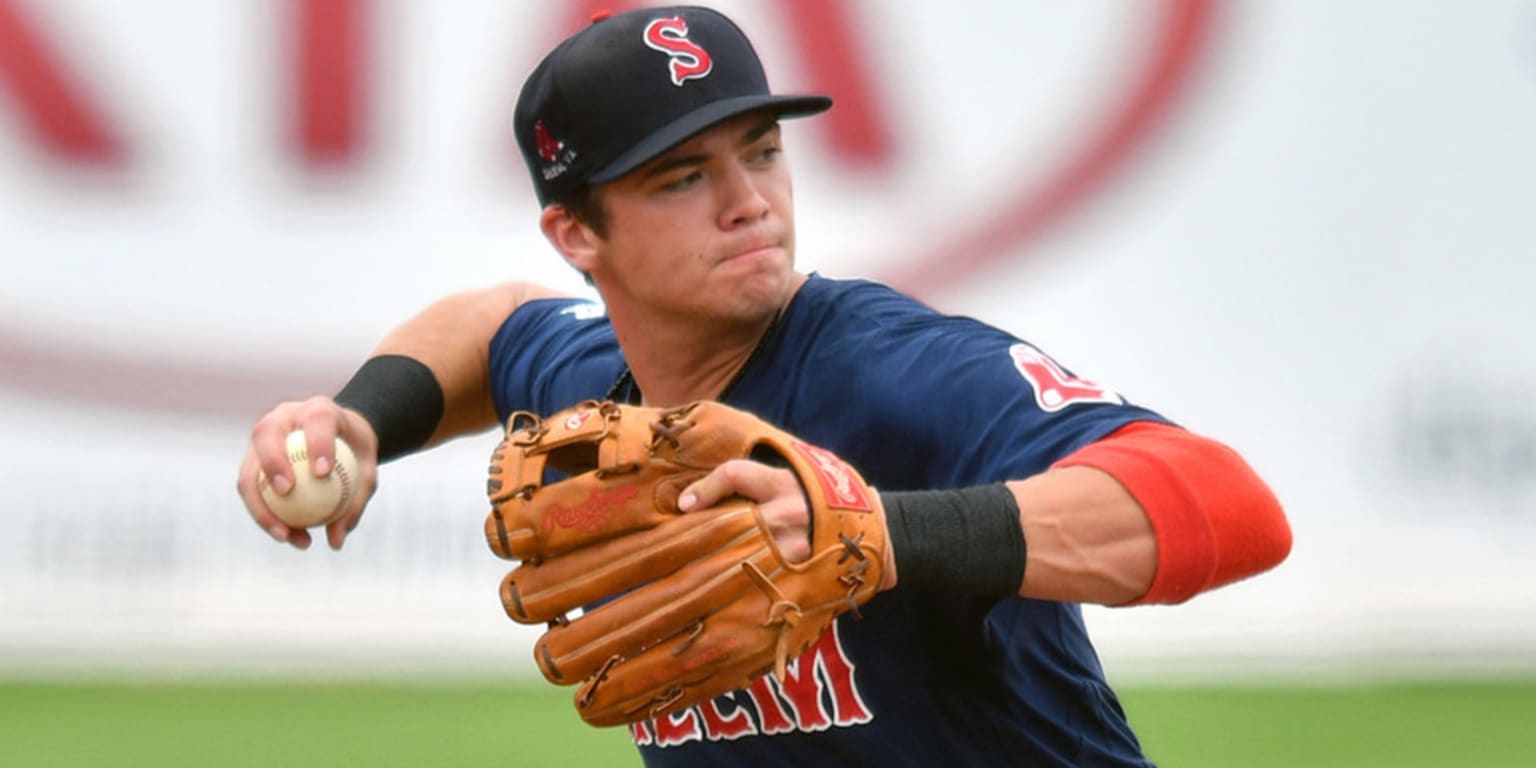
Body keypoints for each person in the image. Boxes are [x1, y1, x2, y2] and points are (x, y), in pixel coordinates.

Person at [236, 6, 1292, 766]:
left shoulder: (887, 368)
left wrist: (883, 536)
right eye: (683, 177)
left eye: (763, 150)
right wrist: (357, 418)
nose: (750, 203)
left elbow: (1233, 506)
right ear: (575, 233)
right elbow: (489, 325)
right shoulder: (593, 382)